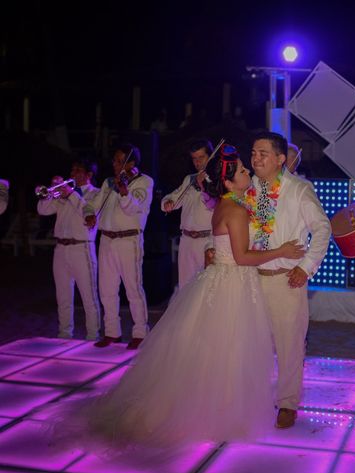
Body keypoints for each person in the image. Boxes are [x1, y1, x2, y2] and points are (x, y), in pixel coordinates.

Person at [48, 146, 305, 448]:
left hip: (225, 279)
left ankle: (220, 407)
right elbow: (243, 256)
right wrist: (283, 252)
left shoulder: (228, 204)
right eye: (244, 171)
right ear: (229, 181)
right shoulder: (234, 209)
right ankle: (220, 413)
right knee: (230, 348)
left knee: (220, 349)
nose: (249, 171)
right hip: (232, 283)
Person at [248, 132, 331, 429]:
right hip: (251, 278)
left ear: (281, 159)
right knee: (253, 343)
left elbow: (322, 229)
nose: (255, 158)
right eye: (254, 153)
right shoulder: (249, 188)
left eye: (262, 153)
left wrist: (306, 266)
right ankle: (253, 397)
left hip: (286, 279)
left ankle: (287, 403)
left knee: (289, 345)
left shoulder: (298, 189)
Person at [84, 144, 153, 350]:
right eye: (114, 160)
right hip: (106, 240)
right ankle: (112, 332)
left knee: (133, 288)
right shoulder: (107, 183)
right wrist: (88, 214)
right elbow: (92, 204)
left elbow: (132, 208)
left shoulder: (144, 182)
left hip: (129, 240)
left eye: (119, 161)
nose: (114, 164)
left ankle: (140, 332)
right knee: (106, 289)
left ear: (131, 164)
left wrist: (124, 190)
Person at [37, 160, 102, 340]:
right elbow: (42, 210)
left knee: (89, 297)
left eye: (78, 170)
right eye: (72, 170)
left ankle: (93, 336)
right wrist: (50, 192)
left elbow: (89, 213)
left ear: (89, 175)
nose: (72, 174)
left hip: (82, 248)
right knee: (63, 297)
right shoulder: (63, 194)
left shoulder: (96, 194)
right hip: (60, 249)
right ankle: (64, 335)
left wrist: (71, 194)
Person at [161, 139, 216, 288]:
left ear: (210, 157)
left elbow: (213, 205)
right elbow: (175, 196)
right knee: (185, 285)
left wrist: (203, 185)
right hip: (186, 239)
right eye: (194, 159)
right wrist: (168, 202)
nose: (197, 162)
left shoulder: (217, 180)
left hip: (207, 240)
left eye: (201, 157)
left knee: (205, 287)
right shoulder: (189, 179)